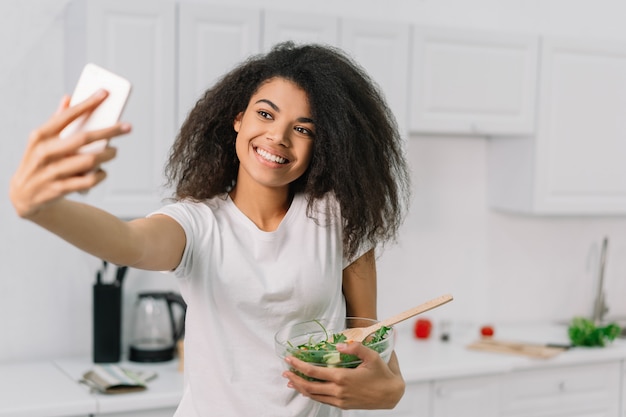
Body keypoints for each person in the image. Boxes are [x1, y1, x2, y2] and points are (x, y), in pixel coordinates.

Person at [10, 42, 411, 416]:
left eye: (303, 128)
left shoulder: (337, 219)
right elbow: (130, 243)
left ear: (322, 144)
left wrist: (391, 391)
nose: (278, 136)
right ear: (238, 119)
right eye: (266, 114)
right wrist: (43, 209)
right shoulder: (198, 224)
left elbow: (367, 337)